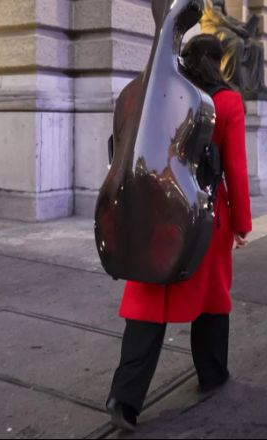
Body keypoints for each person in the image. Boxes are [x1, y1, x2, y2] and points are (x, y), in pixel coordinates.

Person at [105, 34, 252, 432]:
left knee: (147, 305)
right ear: (218, 63)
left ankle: (125, 397)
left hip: (156, 214)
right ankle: (212, 374)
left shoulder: (162, 92)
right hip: (204, 213)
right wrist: (241, 223)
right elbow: (235, 169)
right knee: (211, 298)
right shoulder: (226, 102)